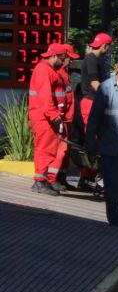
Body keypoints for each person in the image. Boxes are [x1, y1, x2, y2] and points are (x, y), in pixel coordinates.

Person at [85, 52, 118, 227]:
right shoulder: (106, 88)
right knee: (112, 184)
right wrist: (90, 142)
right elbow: (94, 118)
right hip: (110, 143)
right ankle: (115, 220)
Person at [28, 43, 67, 196]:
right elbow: (45, 97)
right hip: (44, 118)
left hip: (44, 116)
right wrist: (53, 115)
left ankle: (41, 181)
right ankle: (39, 182)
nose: (63, 62)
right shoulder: (44, 70)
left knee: (47, 148)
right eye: (62, 58)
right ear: (54, 56)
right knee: (45, 149)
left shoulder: (47, 69)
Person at [79, 32, 112, 185]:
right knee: (93, 140)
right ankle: (86, 176)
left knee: (97, 140)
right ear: (105, 46)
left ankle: (88, 176)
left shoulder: (95, 59)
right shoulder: (92, 60)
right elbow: (94, 82)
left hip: (93, 102)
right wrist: (108, 97)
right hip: (91, 102)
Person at [53, 43, 80, 188]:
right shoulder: (58, 74)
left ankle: (62, 177)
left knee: (65, 151)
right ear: (62, 58)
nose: (71, 61)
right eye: (69, 58)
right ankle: (54, 178)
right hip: (61, 119)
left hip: (68, 118)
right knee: (59, 149)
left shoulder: (65, 74)